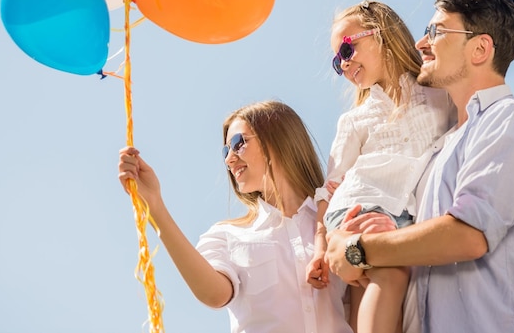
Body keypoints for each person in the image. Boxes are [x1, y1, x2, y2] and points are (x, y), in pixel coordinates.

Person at [324, 0, 514, 333]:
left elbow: (468, 233)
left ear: (480, 50)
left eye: (437, 31)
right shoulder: (436, 153)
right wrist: (357, 243)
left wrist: (359, 249)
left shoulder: (510, 119)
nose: (421, 42)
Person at [118, 100, 353, 333]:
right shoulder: (226, 236)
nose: (229, 159)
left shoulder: (339, 218)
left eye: (237, 143)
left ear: (278, 138)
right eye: (225, 151)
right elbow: (214, 295)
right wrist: (155, 205)